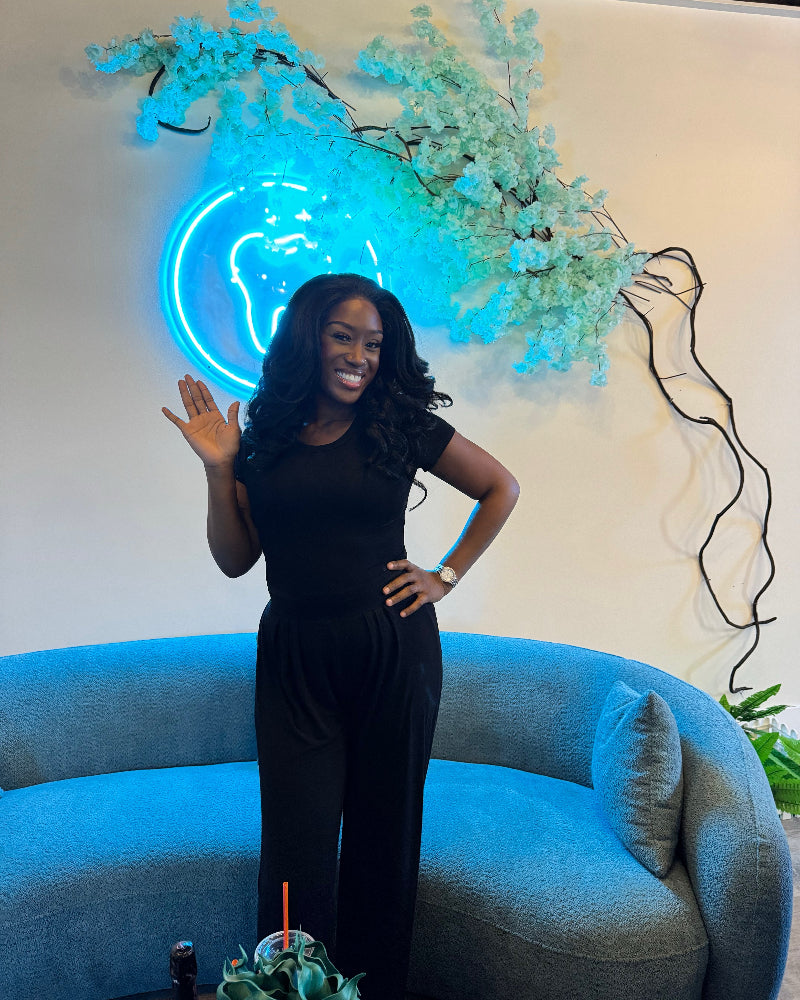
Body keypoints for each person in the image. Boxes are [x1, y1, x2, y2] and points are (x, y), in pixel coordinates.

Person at [162, 273, 519, 1000]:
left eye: (373, 343)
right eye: (343, 336)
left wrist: (443, 575)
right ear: (309, 338)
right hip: (295, 656)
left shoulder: (402, 422)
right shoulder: (261, 436)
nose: (359, 354)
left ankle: (375, 990)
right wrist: (221, 469)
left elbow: (499, 487)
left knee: (383, 843)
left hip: (394, 651)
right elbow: (236, 560)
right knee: (294, 853)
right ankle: (294, 991)